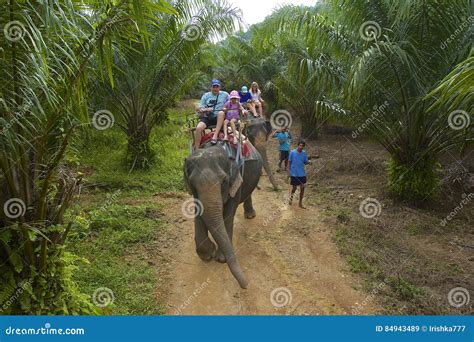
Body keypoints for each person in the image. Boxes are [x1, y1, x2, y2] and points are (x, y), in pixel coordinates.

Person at [194, 80, 229, 149]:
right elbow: (200, 109)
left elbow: (232, 103)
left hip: (219, 118)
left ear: (219, 87)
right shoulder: (206, 96)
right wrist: (206, 109)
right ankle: (197, 149)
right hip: (207, 117)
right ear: (211, 87)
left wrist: (226, 108)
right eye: (214, 87)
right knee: (198, 128)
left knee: (221, 113)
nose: (215, 88)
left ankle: (215, 136)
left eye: (217, 87)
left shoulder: (225, 95)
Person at [288, 140, 311, 209]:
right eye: (300, 145)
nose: (300, 147)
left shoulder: (304, 153)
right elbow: (289, 162)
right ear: (297, 145)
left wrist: (309, 162)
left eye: (302, 146)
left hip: (302, 173)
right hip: (294, 173)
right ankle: (291, 198)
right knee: (294, 188)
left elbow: (305, 162)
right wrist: (289, 171)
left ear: (303, 147)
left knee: (302, 187)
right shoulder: (292, 152)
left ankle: (300, 203)